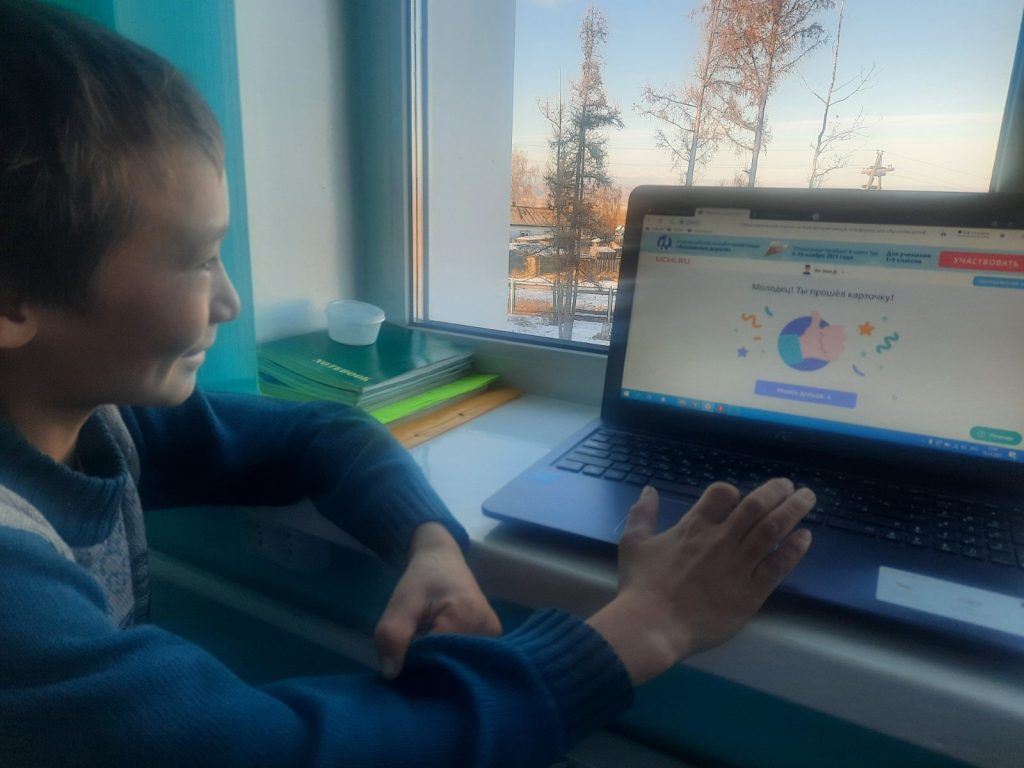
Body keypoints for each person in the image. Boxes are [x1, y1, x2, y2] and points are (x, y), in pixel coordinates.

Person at [0, 2, 815, 766]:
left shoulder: (90, 420)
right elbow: (273, 749)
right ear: (13, 298)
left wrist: (430, 543)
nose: (229, 301)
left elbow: (322, 433)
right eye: (198, 259)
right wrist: (651, 625)